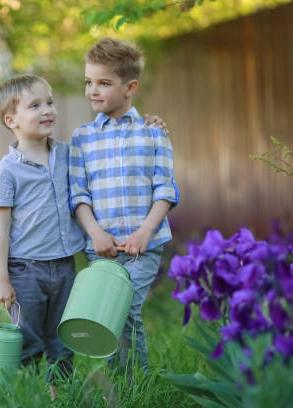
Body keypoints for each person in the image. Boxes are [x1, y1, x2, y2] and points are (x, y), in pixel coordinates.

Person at [0, 74, 169, 398]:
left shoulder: (69, 154)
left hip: (66, 267)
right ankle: (29, 398)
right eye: (35, 105)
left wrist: (149, 124)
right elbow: (0, 230)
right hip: (24, 271)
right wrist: (1, 278)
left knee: (62, 339)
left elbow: (108, 146)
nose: (47, 110)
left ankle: (60, 396)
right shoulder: (7, 172)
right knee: (29, 340)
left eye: (49, 102)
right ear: (11, 119)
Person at [69, 37, 180, 373]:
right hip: (101, 246)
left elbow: (166, 188)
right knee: (105, 315)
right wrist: (95, 233)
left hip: (142, 245)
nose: (93, 90)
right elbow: (79, 194)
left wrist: (146, 231)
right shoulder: (82, 137)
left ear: (130, 86)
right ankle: (111, 385)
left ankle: (136, 385)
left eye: (104, 83)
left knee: (125, 310)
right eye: (88, 82)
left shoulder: (153, 134)